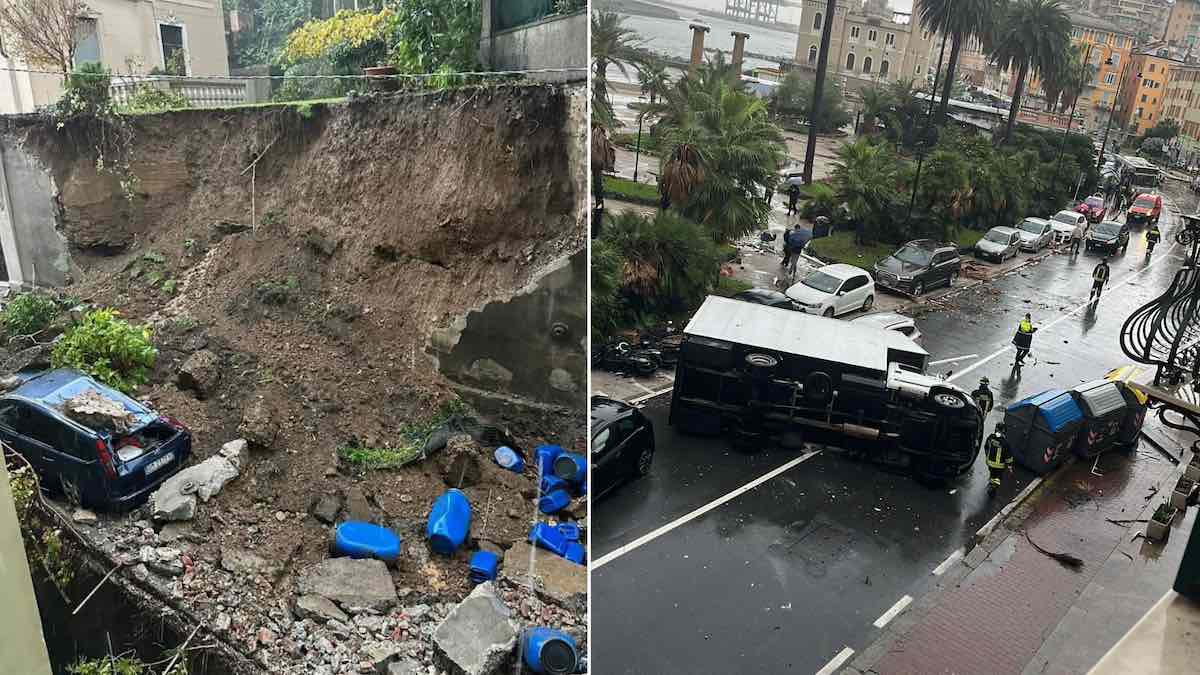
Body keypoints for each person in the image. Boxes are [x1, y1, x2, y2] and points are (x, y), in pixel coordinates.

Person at [984, 423, 1014, 494]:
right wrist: (1009, 466)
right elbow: (1008, 456)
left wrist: (987, 456)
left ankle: (991, 483)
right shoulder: (1005, 442)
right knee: (998, 478)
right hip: (999, 466)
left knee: (992, 474)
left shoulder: (991, 437)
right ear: (1004, 430)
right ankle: (993, 489)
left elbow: (986, 447)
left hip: (989, 463)